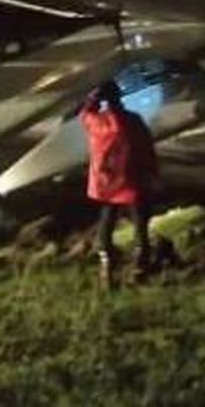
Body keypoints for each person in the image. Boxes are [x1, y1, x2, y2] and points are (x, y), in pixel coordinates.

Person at [80, 80, 159, 289]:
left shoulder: (95, 122)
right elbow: (147, 148)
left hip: (107, 184)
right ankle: (140, 270)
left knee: (107, 222)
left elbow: (85, 112)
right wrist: (153, 174)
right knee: (141, 225)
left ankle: (106, 269)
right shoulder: (134, 120)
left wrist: (93, 97)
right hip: (133, 180)